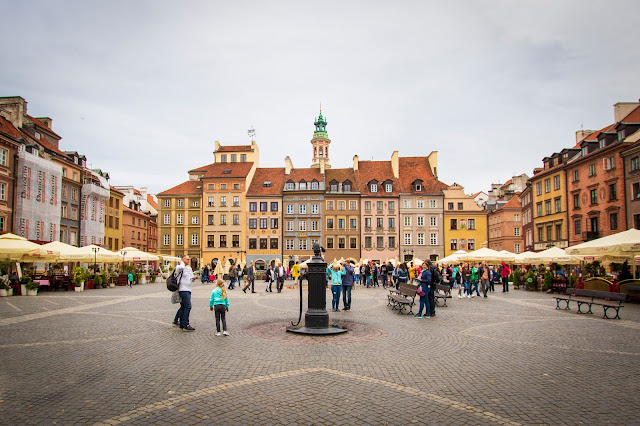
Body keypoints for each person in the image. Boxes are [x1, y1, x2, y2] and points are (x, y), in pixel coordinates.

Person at [174, 255, 195, 331]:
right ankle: (186, 324)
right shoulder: (179, 267)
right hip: (182, 289)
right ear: (183, 259)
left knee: (183, 307)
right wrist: (181, 262)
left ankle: (182, 324)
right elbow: (181, 268)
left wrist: (194, 278)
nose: (188, 261)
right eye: (187, 259)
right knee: (188, 306)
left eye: (189, 259)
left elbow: (191, 278)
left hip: (188, 289)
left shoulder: (189, 268)